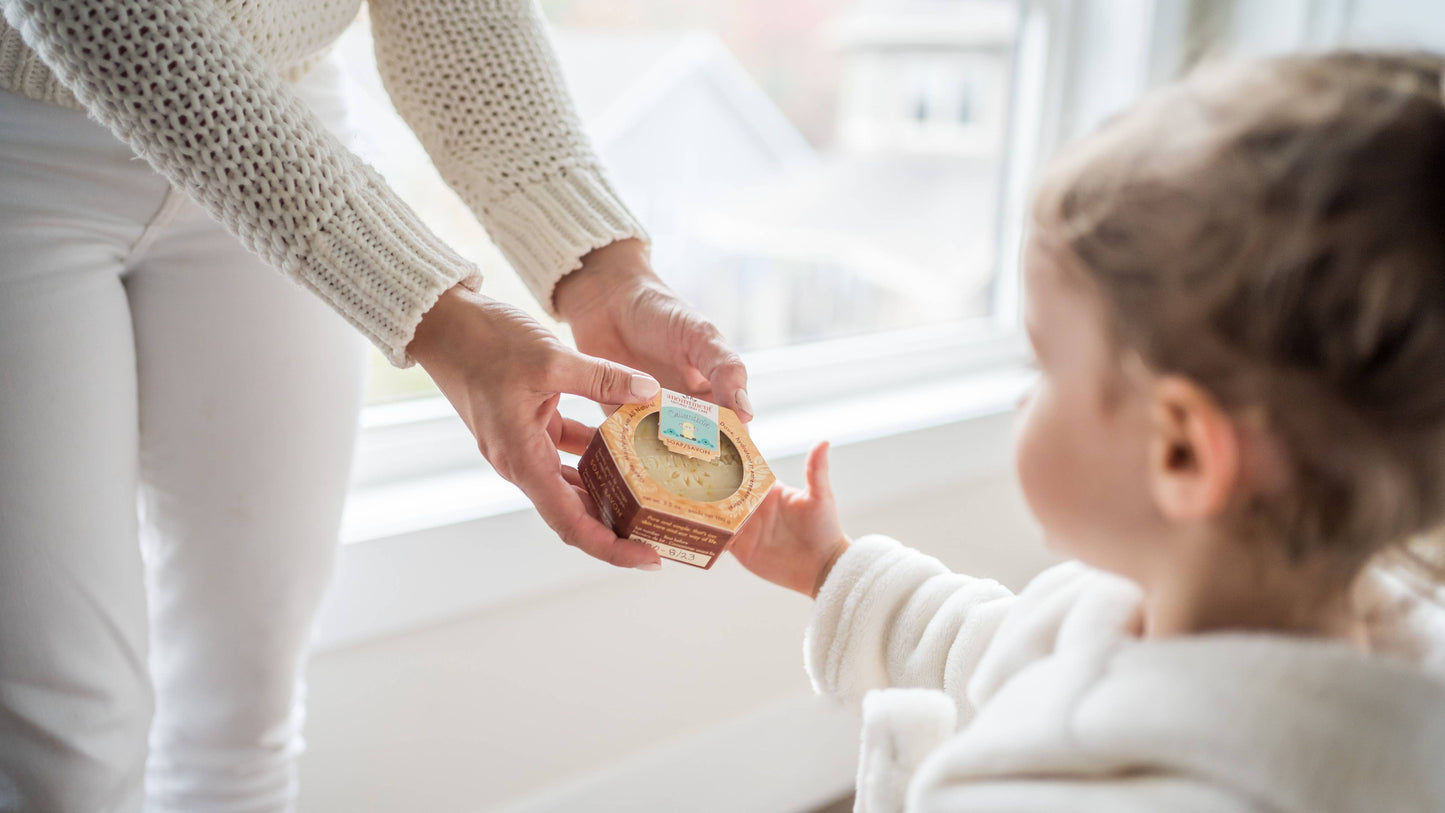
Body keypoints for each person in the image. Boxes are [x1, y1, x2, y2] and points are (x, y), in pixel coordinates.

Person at [0, 0, 748, 810]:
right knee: (68, 741)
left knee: (244, 707)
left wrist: (604, 268)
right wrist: (436, 317)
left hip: (281, 116)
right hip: (25, 143)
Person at [729, 51, 1445, 812]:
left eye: (1042, 363)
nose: (1021, 399)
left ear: (1181, 451)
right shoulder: (1147, 612)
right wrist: (831, 567)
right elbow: (989, 653)